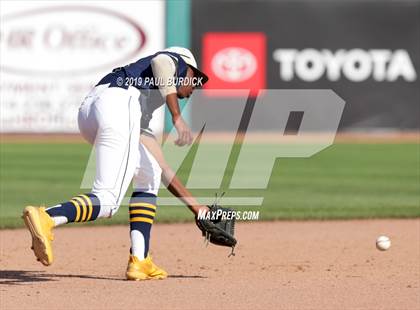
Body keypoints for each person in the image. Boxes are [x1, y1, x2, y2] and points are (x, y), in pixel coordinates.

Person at [22, 47, 209, 281]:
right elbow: (162, 62)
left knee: (149, 173)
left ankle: (140, 261)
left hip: (93, 111)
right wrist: (177, 117)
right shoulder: (173, 62)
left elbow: (162, 167)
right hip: (118, 105)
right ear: (185, 68)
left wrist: (197, 209)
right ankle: (48, 216)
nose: (196, 86)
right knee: (108, 201)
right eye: (195, 77)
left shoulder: (145, 98)